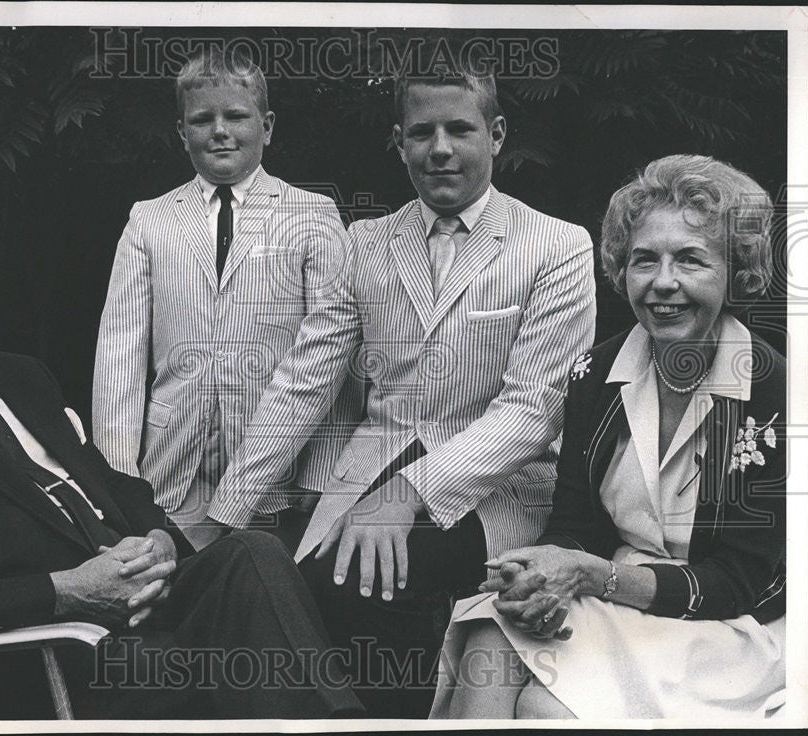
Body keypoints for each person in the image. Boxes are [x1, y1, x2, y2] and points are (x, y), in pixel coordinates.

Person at [0, 203, 362, 719]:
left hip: (141, 612)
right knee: (251, 663)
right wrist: (64, 594)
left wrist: (159, 541)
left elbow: (111, 485)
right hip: (33, 657)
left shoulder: (21, 378)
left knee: (252, 552)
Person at [209, 65, 596, 716]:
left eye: (459, 129)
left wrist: (408, 494)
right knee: (290, 585)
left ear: (496, 134)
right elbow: (302, 381)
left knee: (362, 587)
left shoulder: (557, 246)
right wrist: (225, 516)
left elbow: (533, 411)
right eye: (422, 132)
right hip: (366, 474)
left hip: (494, 490)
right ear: (400, 141)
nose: (439, 147)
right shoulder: (365, 243)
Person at [430, 155, 786, 720]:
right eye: (645, 260)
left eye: (691, 260)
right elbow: (576, 529)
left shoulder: (774, 390)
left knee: (545, 709)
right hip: (616, 598)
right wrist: (541, 575)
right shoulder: (595, 374)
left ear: (734, 270)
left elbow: (739, 581)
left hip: (728, 627)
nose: (663, 282)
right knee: (490, 633)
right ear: (623, 271)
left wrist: (599, 577)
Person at [92, 47, 359, 552]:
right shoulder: (150, 220)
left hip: (280, 470)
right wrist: (119, 485)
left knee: (262, 586)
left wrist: (321, 474)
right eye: (202, 119)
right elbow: (119, 358)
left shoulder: (312, 214)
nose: (219, 130)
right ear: (181, 132)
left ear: (268, 125)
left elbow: (332, 360)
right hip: (172, 466)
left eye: (236, 115)